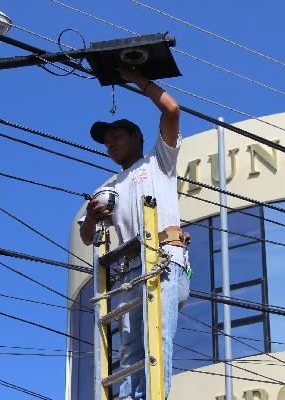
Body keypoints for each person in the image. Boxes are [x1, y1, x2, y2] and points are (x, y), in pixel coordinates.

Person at [79, 64, 191, 400]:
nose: (109, 145)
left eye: (116, 137)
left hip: (164, 262)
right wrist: (90, 218)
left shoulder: (159, 162)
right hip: (128, 274)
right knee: (128, 349)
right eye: (106, 142)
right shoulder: (109, 189)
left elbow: (171, 109)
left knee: (155, 339)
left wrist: (137, 79)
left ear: (137, 138)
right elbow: (87, 237)